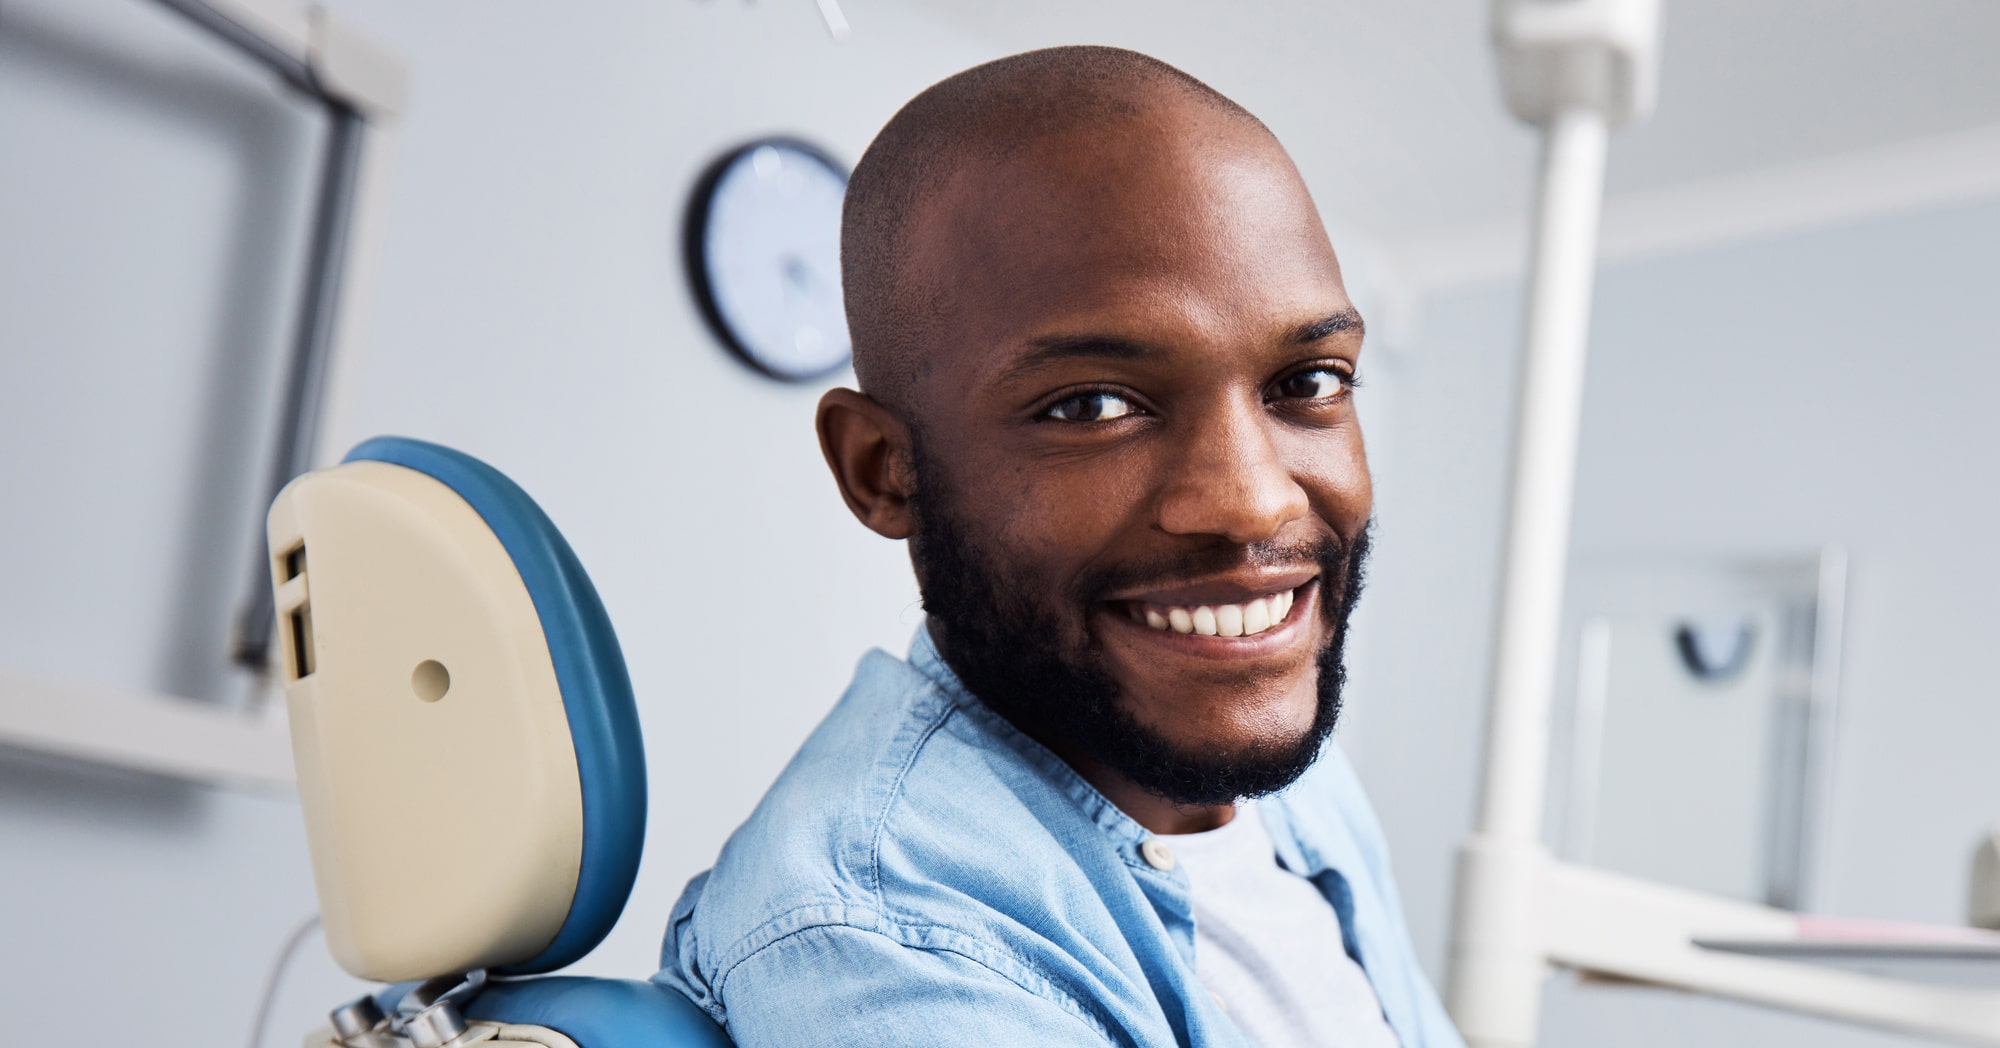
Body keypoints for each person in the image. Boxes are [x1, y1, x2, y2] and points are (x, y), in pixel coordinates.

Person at [654, 45, 1463, 1047]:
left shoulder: (1282, 774)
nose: (1251, 503)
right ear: (880, 469)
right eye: (1092, 405)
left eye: (1306, 381)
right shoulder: (892, 938)